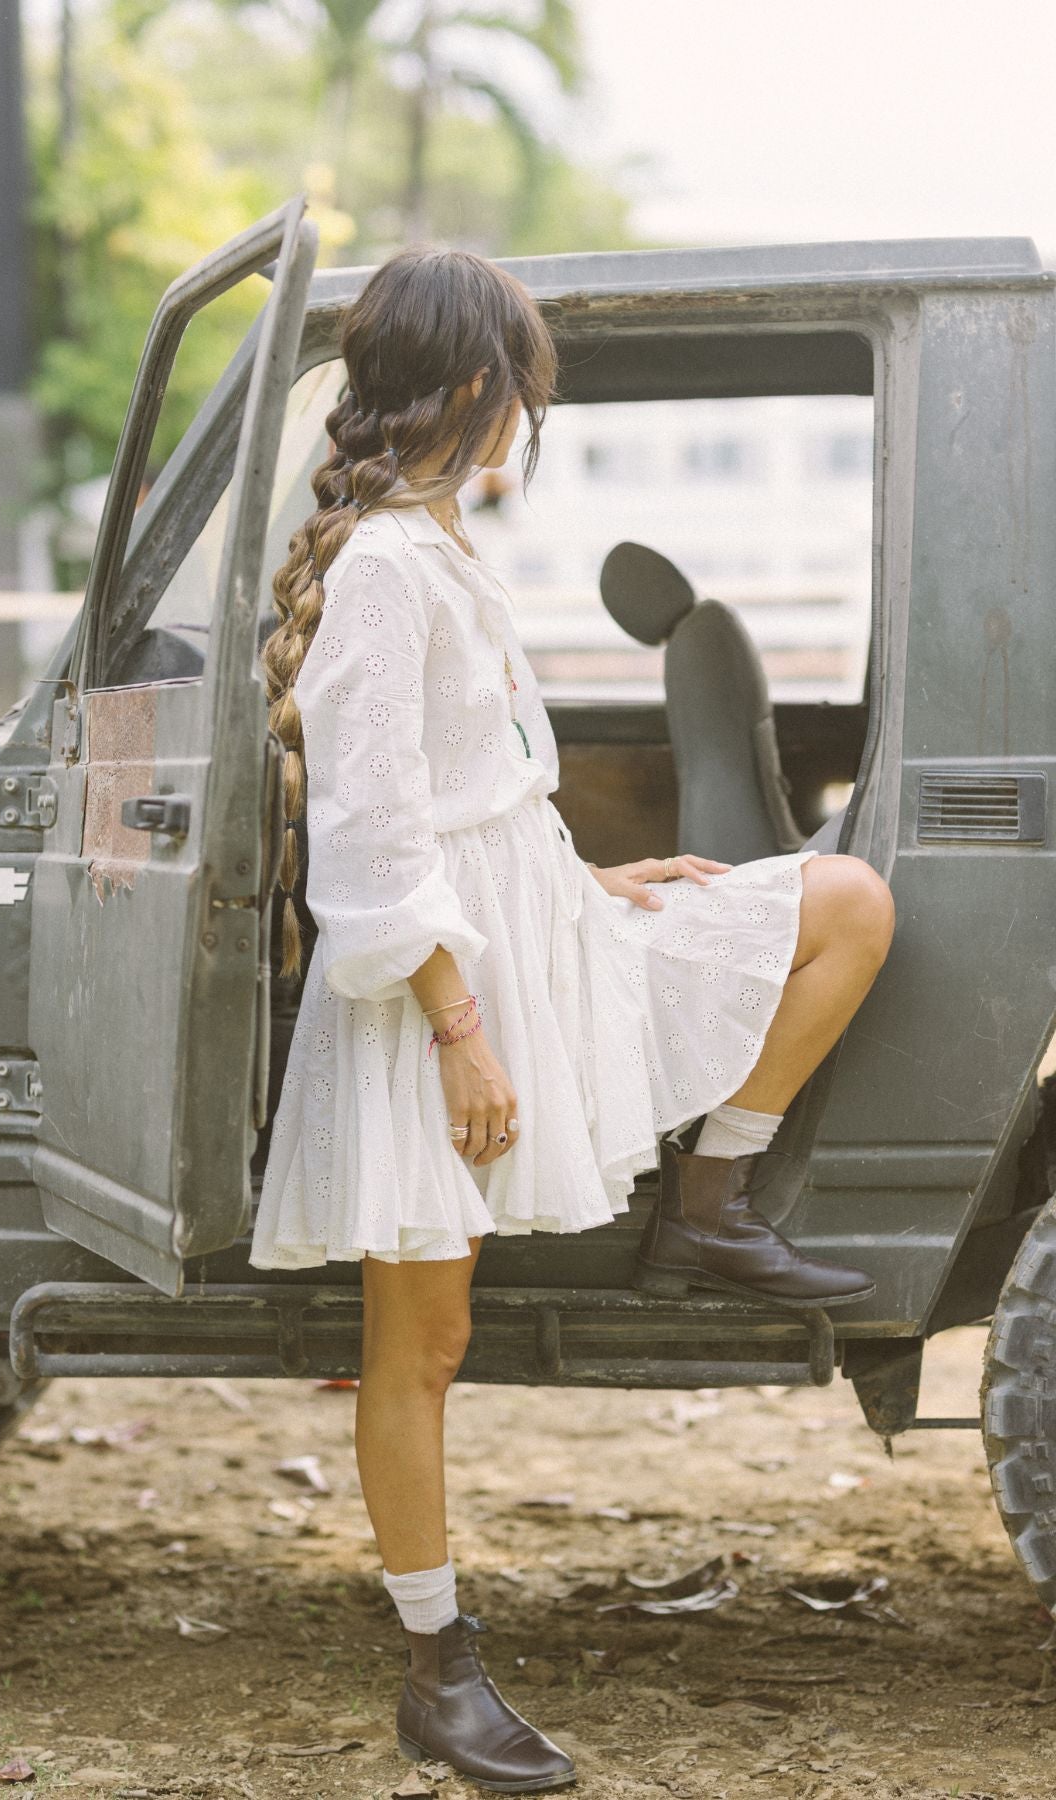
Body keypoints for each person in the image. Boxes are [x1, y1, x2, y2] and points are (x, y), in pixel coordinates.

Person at [253, 246, 896, 1792]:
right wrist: (464, 1028)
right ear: (468, 385)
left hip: (535, 932)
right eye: (517, 388)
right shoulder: (388, 570)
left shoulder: (434, 544)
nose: (521, 419)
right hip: (436, 994)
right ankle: (438, 1665)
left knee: (841, 905)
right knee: (422, 1341)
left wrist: (590, 875)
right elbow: (376, 847)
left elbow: (468, 800)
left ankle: (715, 1194)